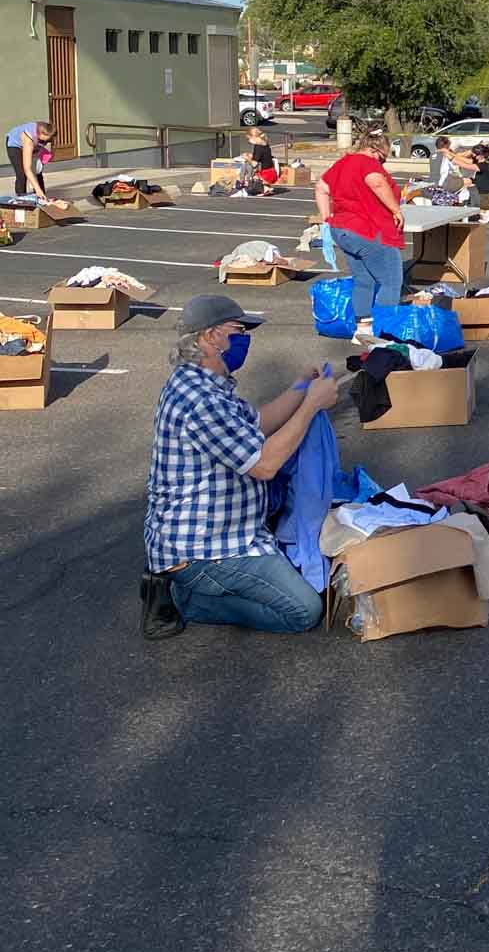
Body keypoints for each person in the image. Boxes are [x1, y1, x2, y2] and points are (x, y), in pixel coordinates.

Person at [142, 294, 339, 633]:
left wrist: (300, 388)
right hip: (206, 550)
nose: (246, 338)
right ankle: (182, 597)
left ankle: (194, 585)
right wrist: (310, 407)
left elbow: (257, 424)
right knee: (303, 611)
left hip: (229, 536)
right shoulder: (201, 400)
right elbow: (264, 465)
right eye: (239, 330)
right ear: (209, 337)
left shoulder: (203, 383)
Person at [314, 129, 405, 342]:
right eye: (384, 156)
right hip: (368, 229)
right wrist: (395, 209)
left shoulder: (342, 163)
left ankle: (362, 329)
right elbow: (376, 182)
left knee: (363, 279)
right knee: (390, 281)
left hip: (342, 229)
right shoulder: (369, 164)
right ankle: (385, 330)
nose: (383, 162)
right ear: (376, 150)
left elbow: (321, 187)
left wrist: (326, 217)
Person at [6, 116, 52, 197]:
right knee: (22, 173)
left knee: (37, 171)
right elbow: (27, 169)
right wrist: (37, 189)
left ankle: (42, 197)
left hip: (32, 145)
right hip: (14, 145)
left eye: (46, 141)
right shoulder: (28, 138)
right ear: (39, 134)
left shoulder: (45, 132)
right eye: (43, 140)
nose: (45, 142)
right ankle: (21, 198)